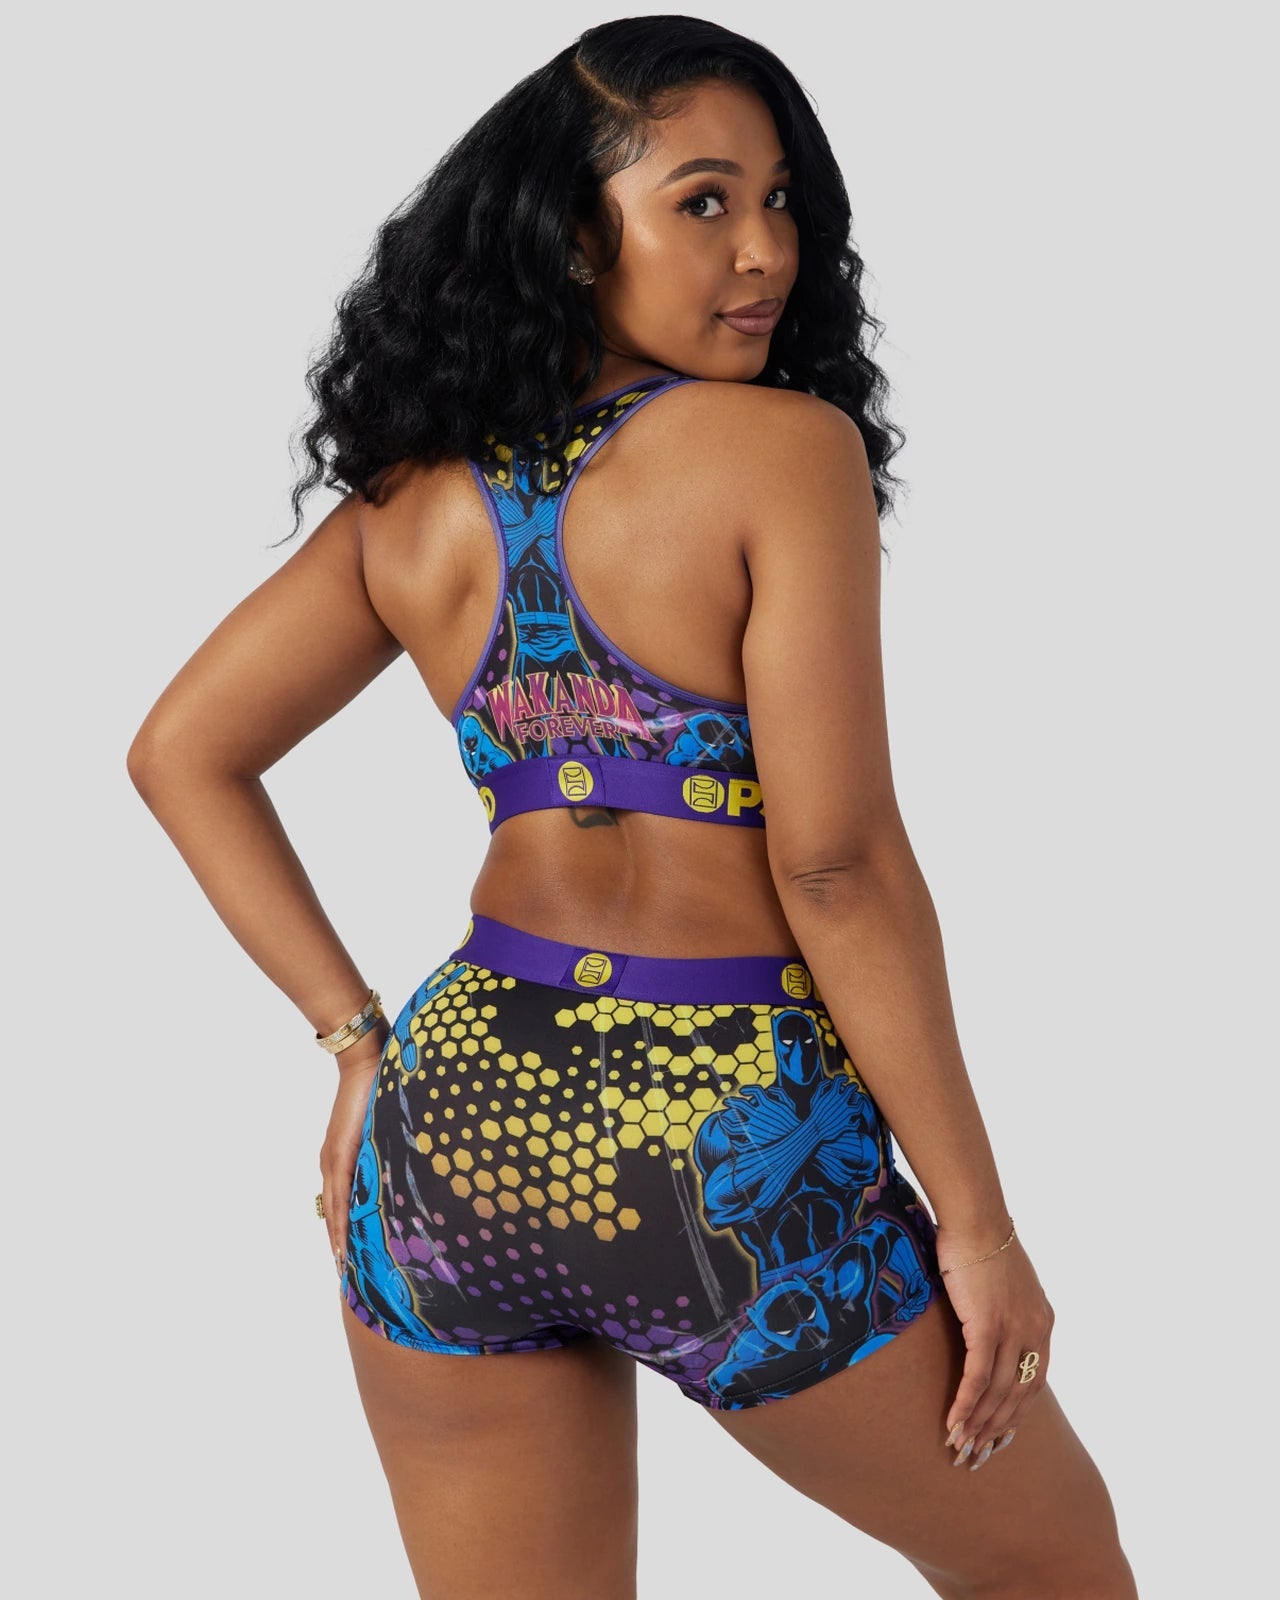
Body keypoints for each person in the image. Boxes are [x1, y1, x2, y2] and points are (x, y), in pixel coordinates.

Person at [127, 16, 1138, 1599]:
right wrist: (978, 1226)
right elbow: (836, 867)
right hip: (716, 1122)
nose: (766, 251)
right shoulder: (782, 452)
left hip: (453, 1127)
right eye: (704, 201)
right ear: (567, 230)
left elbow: (182, 751)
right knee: (1056, 1572)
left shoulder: (413, 497)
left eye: (782, 200)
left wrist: (356, 1045)